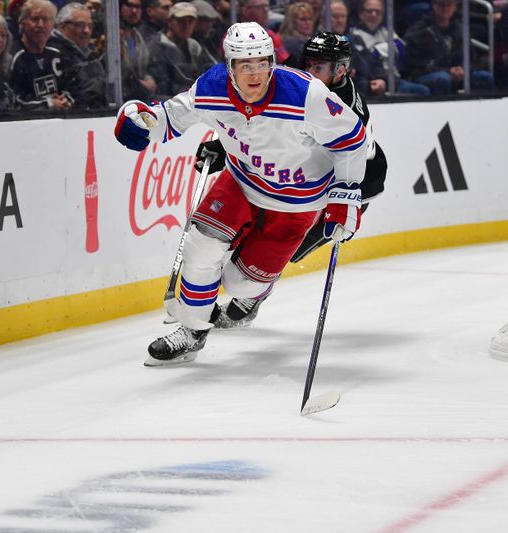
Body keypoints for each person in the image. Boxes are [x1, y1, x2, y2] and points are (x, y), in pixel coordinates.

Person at [114, 22, 367, 365]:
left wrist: (346, 195)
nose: (256, 73)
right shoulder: (212, 87)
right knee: (201, 246)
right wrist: (140, 119)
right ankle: (192, 331)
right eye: (246, 65)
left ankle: (254, 294)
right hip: (241, 181)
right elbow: (170, 117)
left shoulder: (306, 95)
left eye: (263, 62)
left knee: (240, 285)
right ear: (230, 66)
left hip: (297, 202)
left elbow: (353, 141)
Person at [199, 31, 387, 328]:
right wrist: (224, 146)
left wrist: (348, 207)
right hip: (292, 179)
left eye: (320, 67)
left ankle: (251, 297)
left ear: (341, 70)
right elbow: (263, 125)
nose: (310, 72)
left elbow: (351, 163)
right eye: (308, 63)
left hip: (348, 185)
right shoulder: (296, 84)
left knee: (287, 248)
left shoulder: (344, 106)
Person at [402, 0, 494, 94]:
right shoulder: (419, 31)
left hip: (457, 73)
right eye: (441, 5)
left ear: (455, 7)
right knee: (442, 78)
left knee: (484, 77)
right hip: (427, 74)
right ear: (433, 5)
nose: (445, 8)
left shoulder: (460, 30)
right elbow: (416, 65)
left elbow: (472, 58)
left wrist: (463, 69)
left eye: (449, 5)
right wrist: (448, 71)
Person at [351, 0, 430, 95]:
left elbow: (401, 48)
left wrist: (378, 50)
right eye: (369, 11)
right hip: (374, 81)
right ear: (361, 13)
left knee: (422, 91)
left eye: (378, 11)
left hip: (395, 80)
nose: (374, 14)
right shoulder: (355, 34)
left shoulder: (386, 31)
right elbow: (367, 60)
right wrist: (387, 49)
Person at [9, 0, 73, 110]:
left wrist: (66, 99)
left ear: (53, 25)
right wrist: (49, 104)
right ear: (22, 23)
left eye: (46, 19)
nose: (40, 25)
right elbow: (13, 101)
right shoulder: (13, 57)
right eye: (35, 19)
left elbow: (72, 86)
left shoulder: (58, 54)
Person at [148, 2, 216, 98]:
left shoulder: (194, 46)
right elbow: (162, 86)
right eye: (181, 21)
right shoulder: (156, 46)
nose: (186, 26)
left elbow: (207, 75)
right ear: (169, 21)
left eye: (190, 21)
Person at [48, 2, 107, 109]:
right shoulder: (52, 54)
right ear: (62, 26)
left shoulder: (90, 54)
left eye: (90, 26)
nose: (86, 31)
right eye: (80, 25)